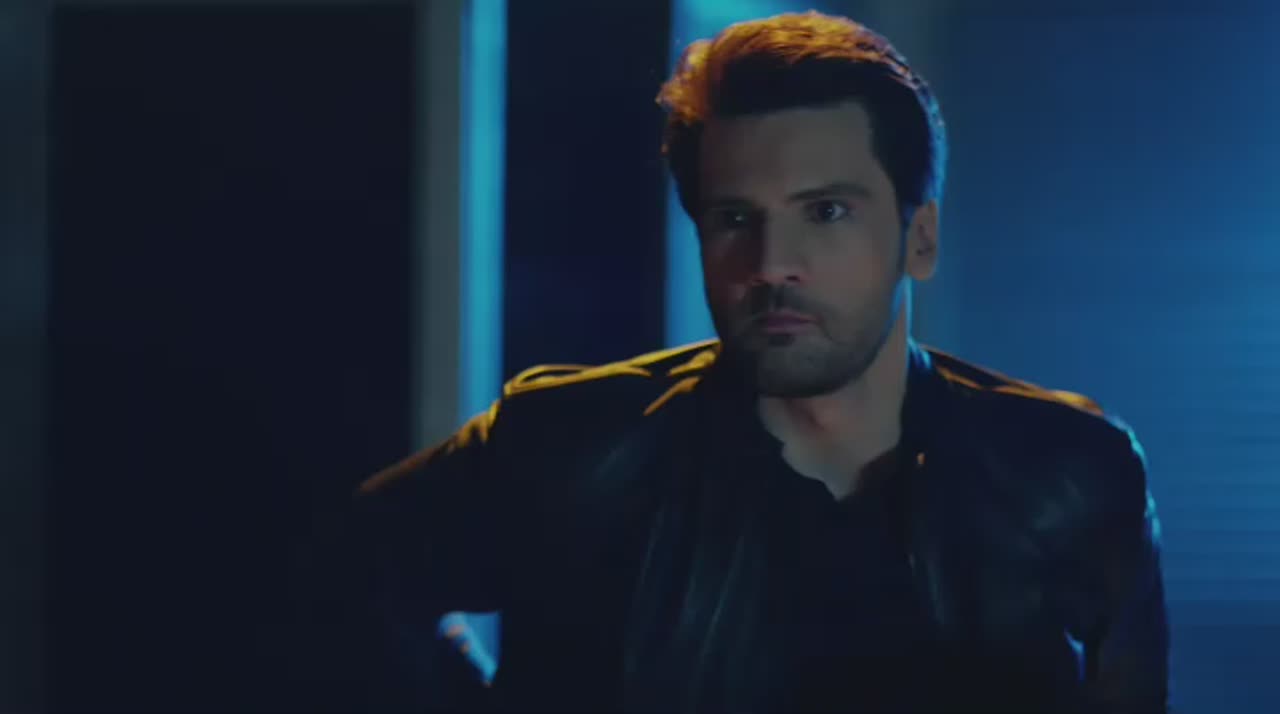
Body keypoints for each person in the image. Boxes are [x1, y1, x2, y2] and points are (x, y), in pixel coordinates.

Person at [352, 11, 1169, 713]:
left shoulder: (1065, 476)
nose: (773, 263)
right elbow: (346, 579)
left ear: (919, 238)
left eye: (826, 212)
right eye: (735, 218)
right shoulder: (575, 449)